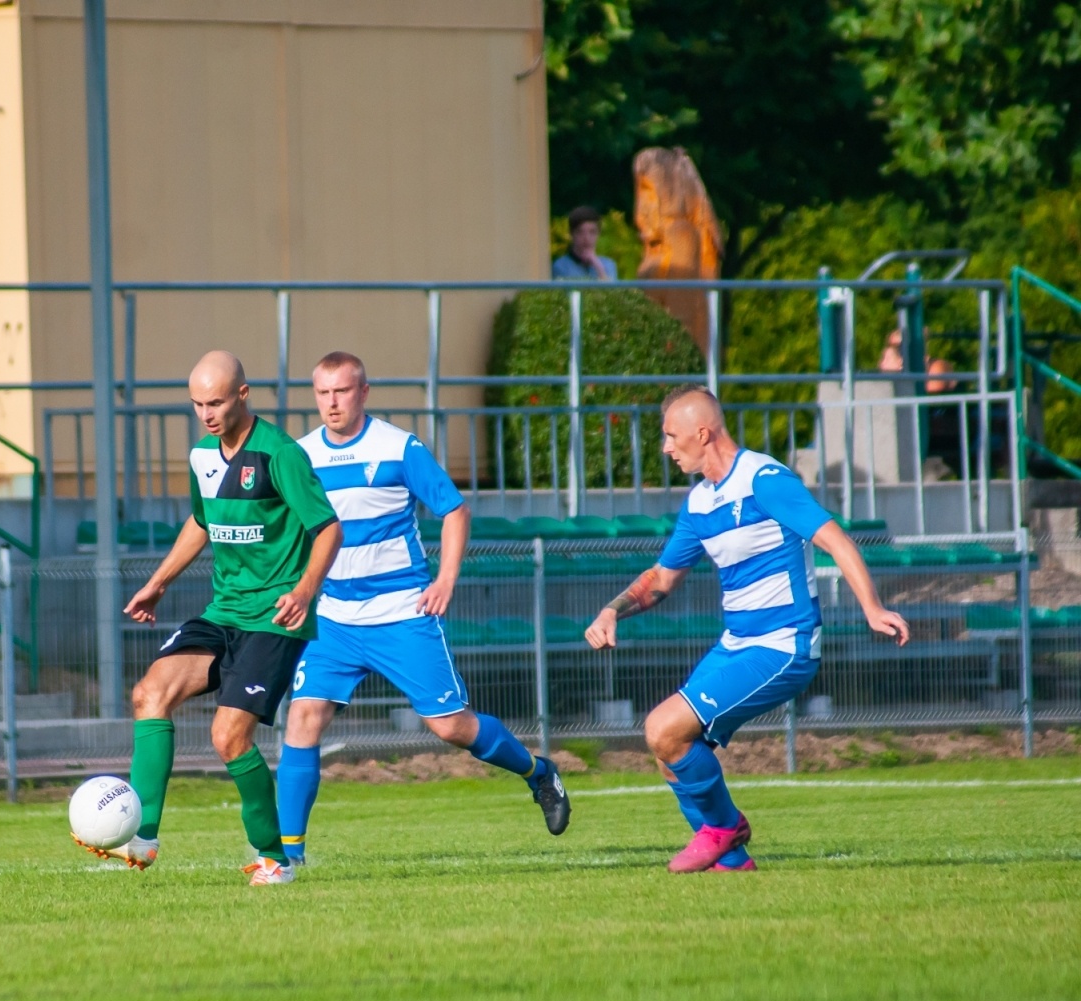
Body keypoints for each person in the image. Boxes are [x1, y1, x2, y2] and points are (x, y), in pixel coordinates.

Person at [584, 385, 909, 872]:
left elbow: (835, 540)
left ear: (703, 432)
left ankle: (725, 828)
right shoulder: (699, 504)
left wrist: (872, 607)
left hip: (784, 646)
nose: (665, 447)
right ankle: (732, 861)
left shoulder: (764, 479)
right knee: (669, 749)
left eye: (671, 436)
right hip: (736, 645)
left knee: (662, 728)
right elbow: (661, 580)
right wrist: (612, 609)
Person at [275, 352, 570, 865]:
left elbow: (454, 509)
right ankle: (288, 859)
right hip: (336, 620)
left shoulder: (397, 447)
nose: (332, 403)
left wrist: (446, 578)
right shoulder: (300, 456)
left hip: (400, 612)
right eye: (322, 393)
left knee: (451, 727)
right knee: (302, 720)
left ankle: (538, 773)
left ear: (363, 393)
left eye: (342, 392)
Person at [75, 350, 343, 885]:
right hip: (222, 611)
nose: (207, 413)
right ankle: (143, 835)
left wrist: (305, 590)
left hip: (274, 619)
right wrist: (158, 582)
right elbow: (202, 522)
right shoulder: (203, 456)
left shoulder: (280, 454)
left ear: (243, 394)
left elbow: (328, 528)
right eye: (197, 403)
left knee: (228, 737)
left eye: (216, 401)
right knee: (150, 693)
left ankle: (275, 857)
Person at [551, 205, 618, 281]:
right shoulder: (560, 266)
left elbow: (612, 291)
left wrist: (598, 266)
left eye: (592, 232)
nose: (586, 238)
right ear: (571, 234)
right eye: (580, 232)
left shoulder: (609, 265)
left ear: (598, 234)